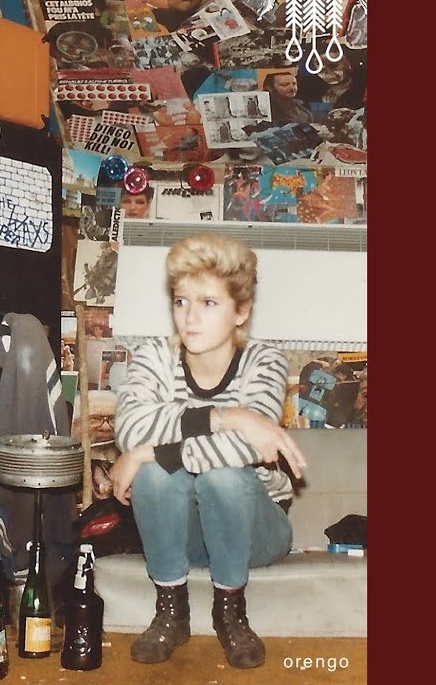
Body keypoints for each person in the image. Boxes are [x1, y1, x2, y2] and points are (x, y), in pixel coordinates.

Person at [109, 233, 308, 669]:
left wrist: (146, 454)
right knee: (157, 476)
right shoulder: (153, 358)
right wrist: (228, 416)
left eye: (209, 303)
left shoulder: (265, 362)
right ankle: (172, 611)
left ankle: (230, 613)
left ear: (241, 311)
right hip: (184, 534)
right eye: (181, 301)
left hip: (256, 532)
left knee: (221, 475)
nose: (190, 318)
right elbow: (130, 429)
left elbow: (243, 449)